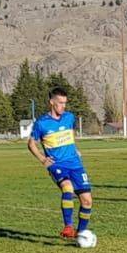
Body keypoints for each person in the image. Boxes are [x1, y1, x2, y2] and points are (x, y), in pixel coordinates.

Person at [27, 87, 95, 245]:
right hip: (57, 165)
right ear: (52, 102)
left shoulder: (69, 117)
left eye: (65, 103)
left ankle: (81, 232)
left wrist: (75, 148)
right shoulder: (41, 123)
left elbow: (70, 135)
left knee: (87, 201)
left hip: (75, 164)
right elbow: (31, 144)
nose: (63, 106)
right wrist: (43, 159)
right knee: (67, 188)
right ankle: (68, 227)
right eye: (60, 103)